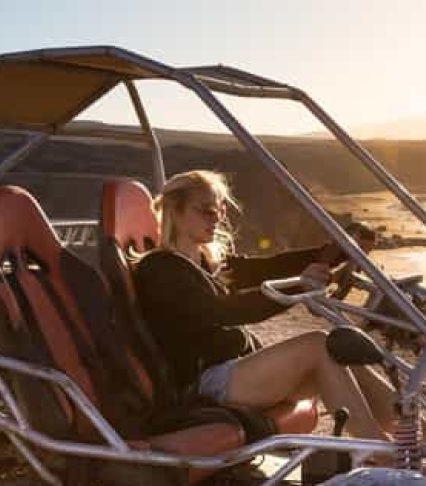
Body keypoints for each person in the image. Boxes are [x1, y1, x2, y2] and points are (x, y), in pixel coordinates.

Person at [134, 170, 397, 440]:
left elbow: (269, 267)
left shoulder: (206, 263)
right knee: (317, 344)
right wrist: (298, 287)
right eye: (206, 211)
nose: (218, 219)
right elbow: (224, 311)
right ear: (175, 212)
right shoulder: (161, 270)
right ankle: (386, 457)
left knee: (339, 353)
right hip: (204, 384)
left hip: (238, 372)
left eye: (220, 211)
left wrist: (335, 253)